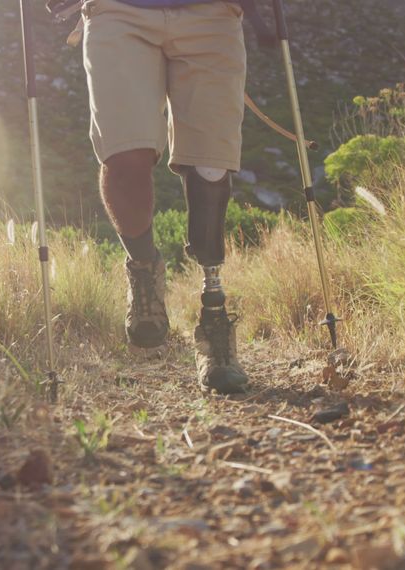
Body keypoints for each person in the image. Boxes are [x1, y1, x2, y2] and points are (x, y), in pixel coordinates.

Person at [80, 0, 249, 394]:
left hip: (212, 13)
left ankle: (214, 319)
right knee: (124, 155)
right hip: (119, 11)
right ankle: (143, 271)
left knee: (211, 167)